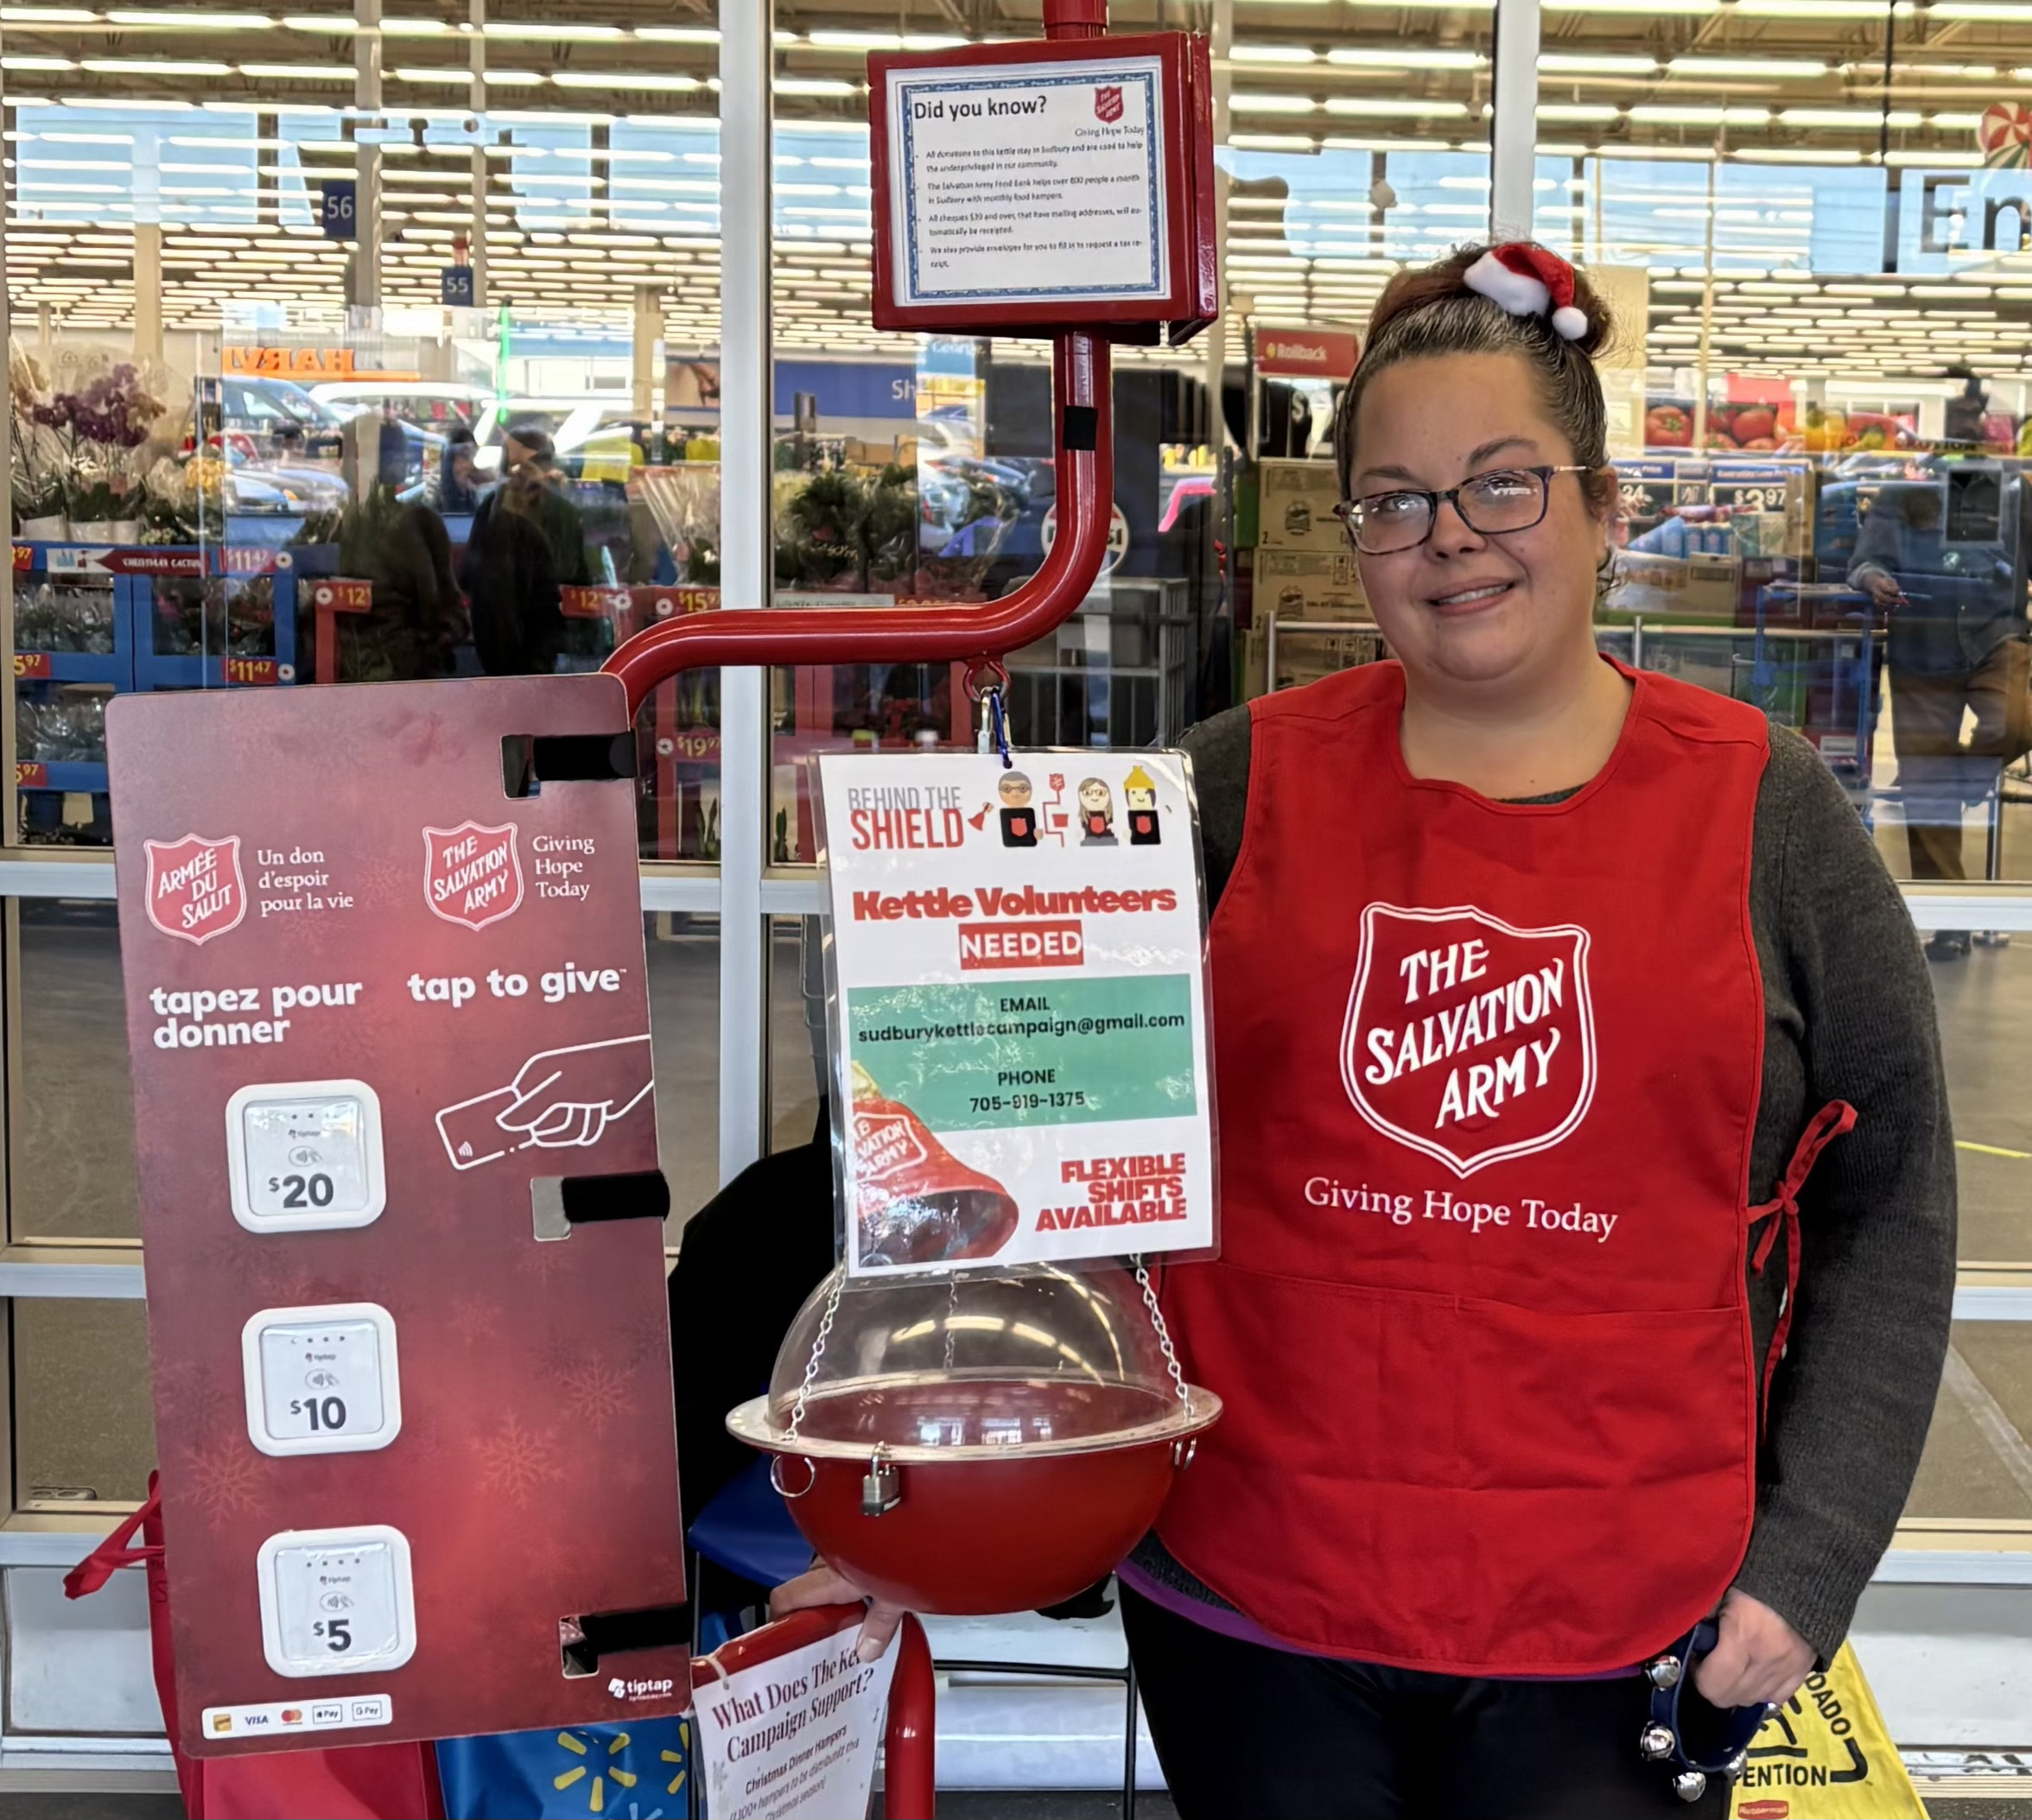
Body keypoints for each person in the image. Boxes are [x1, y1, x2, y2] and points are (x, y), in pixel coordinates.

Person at [778, 243, 1955, 1817]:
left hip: (1621, 1618)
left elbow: (1890, 1203)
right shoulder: (1219, 789)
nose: (1448, 539)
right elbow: (971, 1123)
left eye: (1501, 486)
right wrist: (888, 1499)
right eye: (1392, 501)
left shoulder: (1768, 812)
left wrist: (1811, 1557)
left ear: (1604, 508)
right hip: (1254, 1604)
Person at [1849, 468, 2029, 960]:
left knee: (2016, 720)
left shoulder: (2014, 491)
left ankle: (1967, 777)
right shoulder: (1903, 492)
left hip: (1996, 636)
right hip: (1922, 645)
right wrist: (1874, 578)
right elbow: (1865, 561)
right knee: (1927, 786)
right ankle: (1951, 920)